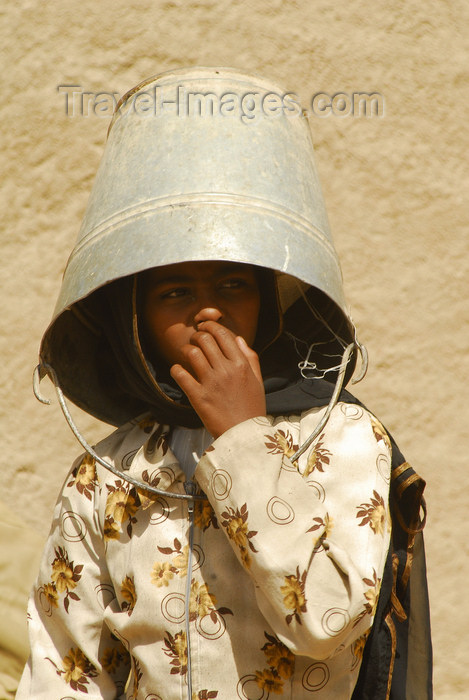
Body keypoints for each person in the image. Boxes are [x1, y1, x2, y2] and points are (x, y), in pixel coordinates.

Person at [16, 68, 432, 699]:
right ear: (134, 322)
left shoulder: (345, 438)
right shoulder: (105, 476)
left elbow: (326, 623)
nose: (207, 311)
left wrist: (243, 438)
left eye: (233, 284)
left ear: (267, 301)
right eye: (174, 292)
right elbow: (64, 670)